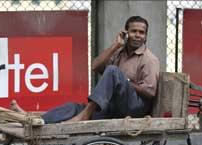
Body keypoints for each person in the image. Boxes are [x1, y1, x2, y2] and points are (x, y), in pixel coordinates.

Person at [11, 16, 160, 123]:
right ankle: (33, 119)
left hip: (135, 109)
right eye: (134, 31)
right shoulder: (119, 53)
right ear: (126, 33)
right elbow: (96, 66)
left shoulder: (149, 59)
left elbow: (150, 92)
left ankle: (84, 115)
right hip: (114, 107)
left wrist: (125, 81)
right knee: (73, 108)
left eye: (142, 33)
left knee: (113, 71)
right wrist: (116, 46)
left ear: (146, 36)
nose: (137, 36)